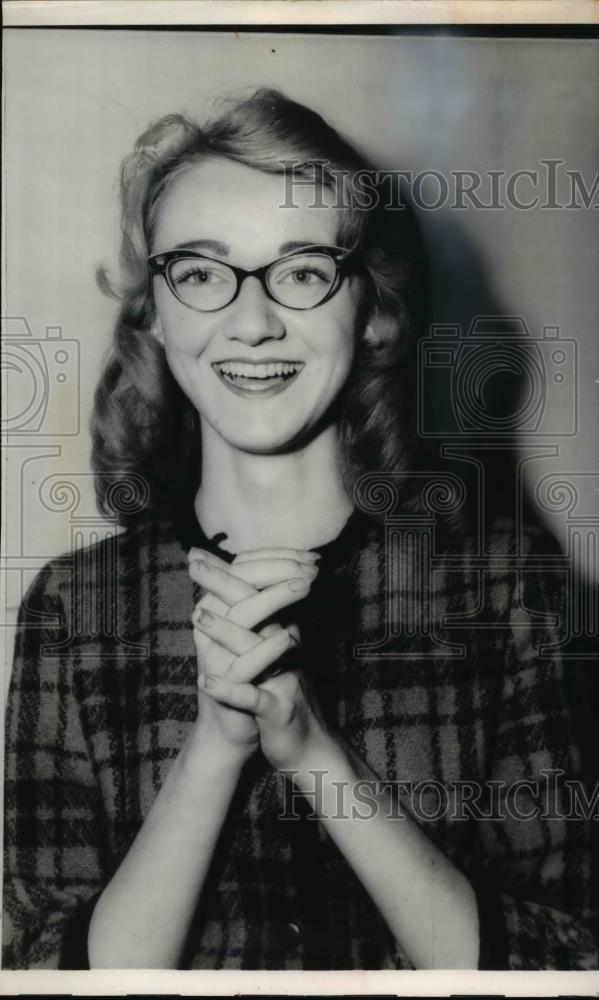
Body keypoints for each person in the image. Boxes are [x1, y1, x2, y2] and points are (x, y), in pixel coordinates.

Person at [3, 88, 597, 971]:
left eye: (304, 270)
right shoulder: (72, 609)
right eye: (200, 273)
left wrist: (314, 752)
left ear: (375, 311)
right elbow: (41, 976)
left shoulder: (511, 592)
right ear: (154, 316)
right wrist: (217, 746)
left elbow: (572, 964)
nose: (251, 322)